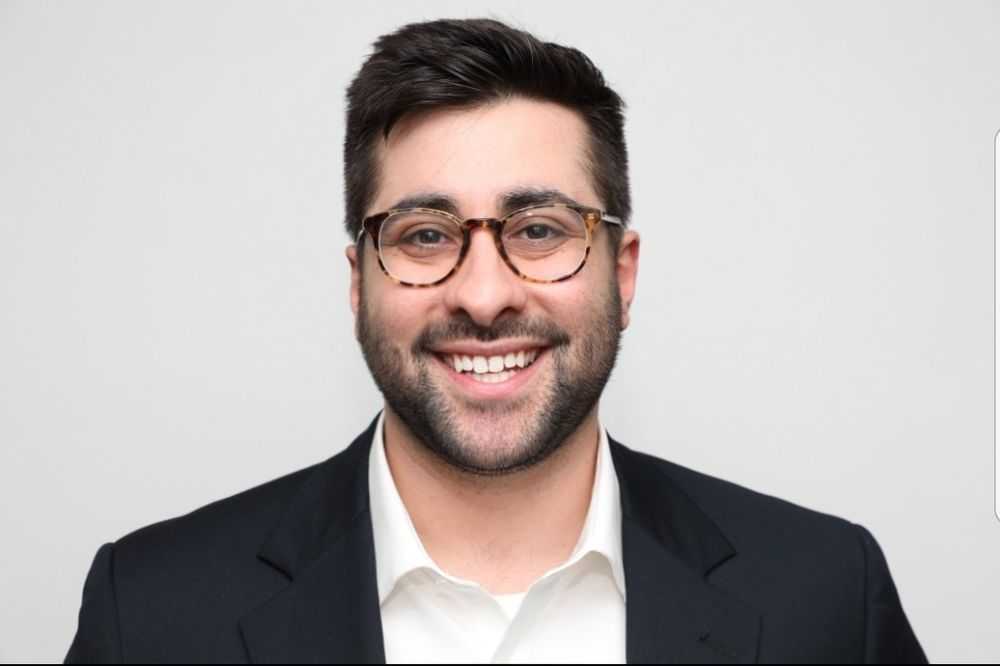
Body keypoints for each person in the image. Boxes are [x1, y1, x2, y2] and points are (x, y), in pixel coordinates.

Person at [65, 18, 926, 664]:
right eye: (425, 236)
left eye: (540, 230)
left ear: (622, 274)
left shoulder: (826, 598)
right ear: (358, 282)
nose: (483, 296)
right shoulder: (150, 616)